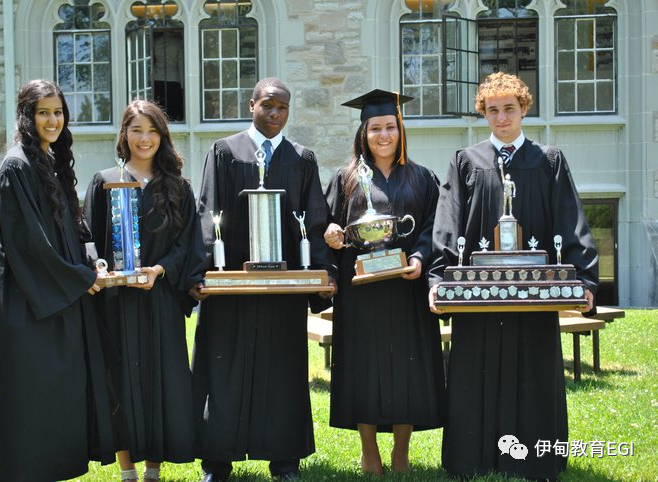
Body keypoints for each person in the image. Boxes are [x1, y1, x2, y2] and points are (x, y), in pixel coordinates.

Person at [428, 72, 599, 480]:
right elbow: (448, 222)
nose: (501, 118)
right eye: (492, 110)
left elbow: (570, 218)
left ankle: (536, 458)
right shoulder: (466, 161)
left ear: (524, 108)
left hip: (534, 293)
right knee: (476, 369)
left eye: (509, 108)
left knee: (533, 368)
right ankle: (472, 457)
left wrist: (585, 280)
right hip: (478, 293)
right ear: (483, 113)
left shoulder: (548, 161)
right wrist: (438, 281)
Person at [191, 77, 337, 481]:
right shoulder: (225, 152)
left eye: (282, 107)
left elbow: (314, 219)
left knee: (283, 373)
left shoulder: (301, 159)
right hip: (232, 288)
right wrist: (201, 272)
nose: (275, 113)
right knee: (224, 369)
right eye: (268, 105)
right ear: (251, 105)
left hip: (283, 289)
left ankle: (284, 460)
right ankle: (217, 461)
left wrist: (323, 273)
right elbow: (208, 212)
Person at [0, 79, 114, 481]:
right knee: (35, 400)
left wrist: (91, 263)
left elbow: (70, 228)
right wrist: (78, 278)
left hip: (59, 296)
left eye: (58, 112)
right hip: (32, 305)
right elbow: (30, 245)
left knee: (60, 398)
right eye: (43, 112)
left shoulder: (48, 160)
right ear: (26, 116)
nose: (52, 120)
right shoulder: (17, 167)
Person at [323, 89, 446, 475]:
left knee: (407, 370)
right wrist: (331, 235)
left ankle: (401, 452)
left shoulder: (423, 178)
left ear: (400, 130)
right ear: (363, 132)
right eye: (375, 127)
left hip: (406, 288)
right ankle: (369, 451)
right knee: (363, 368)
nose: (383, 135)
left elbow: (434, 228)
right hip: (361, 292)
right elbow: (327, 225)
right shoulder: (346, 179)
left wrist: (420, 257)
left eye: (390, 127)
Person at [83, 100, 205, 482]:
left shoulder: (178, 187)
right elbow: (88, 236)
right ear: (124, 134)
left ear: (162, 136)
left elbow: (187, 243)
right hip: (116, 301)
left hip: (160, 298)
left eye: (152, 131)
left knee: (160, 379)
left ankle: (153, 467)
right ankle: (127, 470)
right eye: (136, 130)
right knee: (119, 378)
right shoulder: (104, 181)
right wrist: (97, 267)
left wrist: (160, 269)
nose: (144, 138)